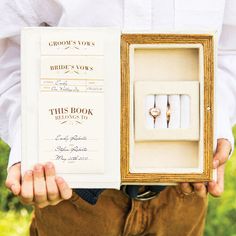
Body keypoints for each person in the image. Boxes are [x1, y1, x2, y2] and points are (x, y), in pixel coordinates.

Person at [0, 0, 235, 235]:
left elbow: (229, 48)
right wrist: (28, 140)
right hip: (72, 192)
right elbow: (9, 51)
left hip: (182, 195)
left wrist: (215, 123)